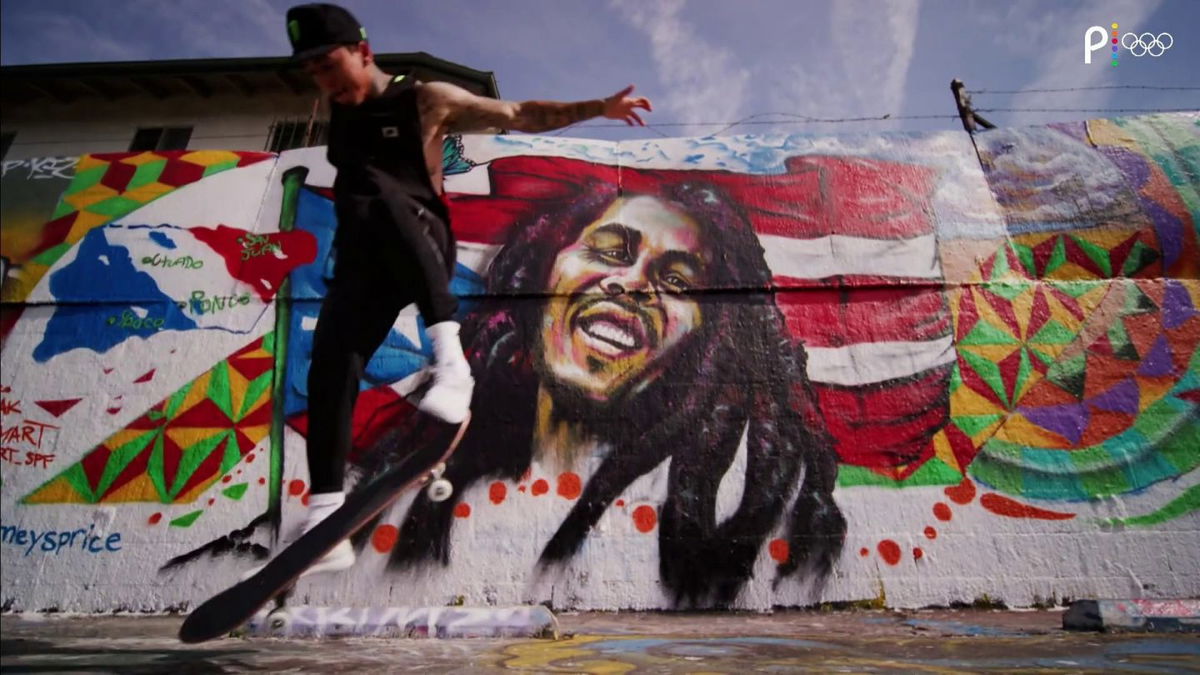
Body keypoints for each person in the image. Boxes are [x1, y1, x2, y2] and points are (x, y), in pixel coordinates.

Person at [283, 3, 653, 575]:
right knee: (331, 360)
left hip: (422, 246)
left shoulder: (425, 99)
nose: (326, 83)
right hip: (366, 261)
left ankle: (452, 365)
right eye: (314, 73)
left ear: (364, 51)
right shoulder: (341, 110)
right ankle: (327, 513)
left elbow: (519, 112)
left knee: (380, 190)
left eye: (332, 66)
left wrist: (598, 108)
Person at [381, 156, 846, 607]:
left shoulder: (720, 499)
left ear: (704, 337)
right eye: (609, 250)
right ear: (545, 271)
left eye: (678, 281)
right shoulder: (422, 468)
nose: (633, 283)